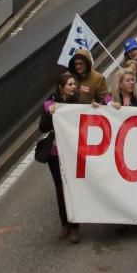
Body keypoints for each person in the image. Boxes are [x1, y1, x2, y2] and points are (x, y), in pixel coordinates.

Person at [41, 71, 80, 243]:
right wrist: (50, 113)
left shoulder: (79, 103)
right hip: (55, 154)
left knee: (73, 188)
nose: (74, 87)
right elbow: (42, 127)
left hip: (73, 153)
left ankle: (75, 227)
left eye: (74, 84)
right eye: (70, 84)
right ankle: (64, 223)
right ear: (61, 87)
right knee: (60, 188)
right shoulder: (49, 104)